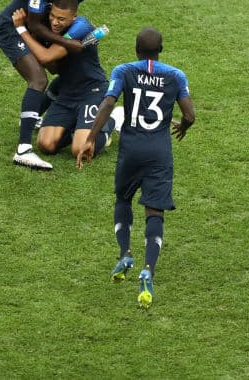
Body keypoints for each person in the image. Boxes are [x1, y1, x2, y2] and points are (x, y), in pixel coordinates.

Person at [78, 27, 194, 309]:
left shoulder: (124, 70)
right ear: (161, 50)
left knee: (123, 199)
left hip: (130, 150)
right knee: (155, 210)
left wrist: (91, 138)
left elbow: (108, 103)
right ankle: (148, 270)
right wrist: (184, 126)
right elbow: (190, 114)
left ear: (136, 50)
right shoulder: (176, 75)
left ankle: (125, 253)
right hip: (159, 152)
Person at [0, 0, 93, 170]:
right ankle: (23, 150)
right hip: (12, 27)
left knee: (62, 68)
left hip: (39, 27)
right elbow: (35, 24)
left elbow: (63, 15)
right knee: (38, 79)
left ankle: (33, 116)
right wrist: (67, 43)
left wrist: (64, 40)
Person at [12, 0, 123, 164]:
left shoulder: (81, 28)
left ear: (74, 17)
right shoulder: (49, 29)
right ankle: (78, 127)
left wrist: (21, 30)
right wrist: (37, 38)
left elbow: (46, 58)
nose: (55, 22)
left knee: (81, 150)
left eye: (62, 19)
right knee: (46, 145)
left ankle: (111, 121)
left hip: (92, 90)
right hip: (67, 92)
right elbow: (55, 68)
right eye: (53, 16)